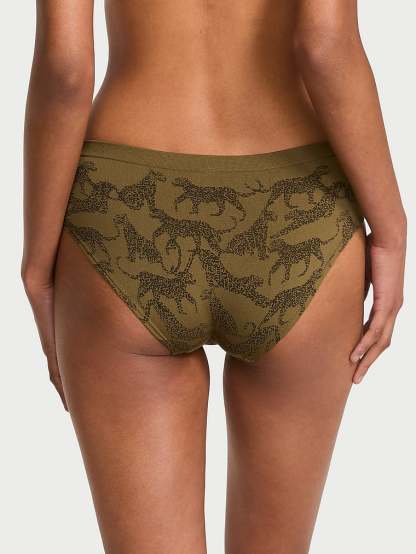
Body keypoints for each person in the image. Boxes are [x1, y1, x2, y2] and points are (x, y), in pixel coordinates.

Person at [22, 1, 406, 553]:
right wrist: (390, 229)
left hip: (125, 205)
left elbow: (65, 70)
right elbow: (325, 44)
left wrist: (38, 264)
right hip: (296, 210)